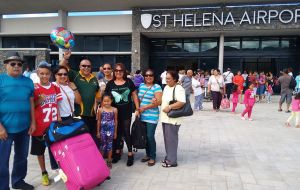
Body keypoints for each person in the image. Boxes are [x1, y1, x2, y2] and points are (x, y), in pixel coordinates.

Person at [0, 52, 36, 190]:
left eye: (19, 64)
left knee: (21, 157)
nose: (16, 66)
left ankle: (18, 181)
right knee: (2, 161)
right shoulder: (1, 80)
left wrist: (33, 122)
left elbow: (31, 103)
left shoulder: (28, 82)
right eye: (12, 63)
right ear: (6, 65)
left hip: (24, 127)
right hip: (4, 129)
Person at [31, 62, 62, 186]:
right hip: (39, 126)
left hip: (53, 125)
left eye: (47, 74)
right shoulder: (34, 88)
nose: (44, 76)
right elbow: (30, 106)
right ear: (38, 74)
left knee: (57, 150)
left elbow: (57, 105)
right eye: (42, 73)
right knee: (40, 152)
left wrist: (59, 117)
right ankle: (44, 172)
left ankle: (61, 171)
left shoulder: (55, 87)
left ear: (50, 74)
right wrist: (38, 100)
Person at [60, 51, 100, 145]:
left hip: (92, 115)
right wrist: (65, 58)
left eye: (88, 66)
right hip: (79, 115)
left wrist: (97, 108)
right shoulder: (74, 75)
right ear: (79, 66)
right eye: (83, 66)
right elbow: (61, 68)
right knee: (81, 140)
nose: (86, 68)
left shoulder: (94, 78)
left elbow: (97, 96)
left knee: (92, 140)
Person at [105, 63, 140, 166]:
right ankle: (117, 151)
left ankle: (130, 153)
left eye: (120, 71)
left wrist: (138, 108)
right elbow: (106, 98)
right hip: (114, 112)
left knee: (126, 132)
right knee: (117, 132)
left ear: (124, 72)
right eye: (116, 71)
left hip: (126, 111)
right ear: (114, 72)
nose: (118, 72)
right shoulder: (110, 84)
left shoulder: (129, 82)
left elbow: (134, 95)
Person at [160, 70, 186, 167]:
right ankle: (169, 157)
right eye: (165, 78)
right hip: (165, 118)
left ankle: (172, 161)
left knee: (171, 140)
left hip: (173, 119)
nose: (166, 80)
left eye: (168, 78)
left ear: (175, 79)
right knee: (167, 139)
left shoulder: (178, 88)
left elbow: (182, 102)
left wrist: (170, 107)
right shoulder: (166, 87)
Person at [137, 69, 162, 166]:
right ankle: (147, 154)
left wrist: (145, 107)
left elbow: (159, 102)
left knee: (150, 136)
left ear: (154, 76)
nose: (148, 77)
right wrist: (138, 109)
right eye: (146, 75)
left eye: (150, 75)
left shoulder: (157, 87)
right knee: (145, 136)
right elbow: (139, 99)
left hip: (152, 116)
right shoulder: (141, 86)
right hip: (142, 115)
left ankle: (152, 156)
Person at [97, 93, 118, 169]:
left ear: (111, 101)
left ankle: (109, 160)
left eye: (108, 101)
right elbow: (98, 121)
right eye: (104, 101)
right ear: (102, 101)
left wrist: (115, 132)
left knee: (110, 145)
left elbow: (116, 121)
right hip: (102, 131)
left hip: (111, 131)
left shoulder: (114, 110)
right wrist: (98, 132)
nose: (106, 103)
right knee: (102, 145)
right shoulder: (100, 110)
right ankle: (101, 160)